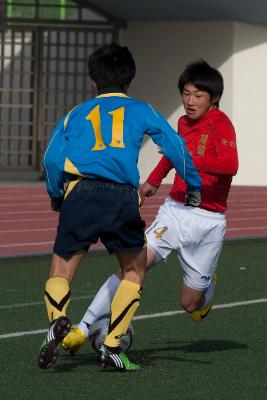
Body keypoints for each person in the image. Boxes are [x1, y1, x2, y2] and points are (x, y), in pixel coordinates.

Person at [38, 44, 201, 371]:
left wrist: (57, 194)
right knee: (134, 271)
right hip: (121, 197)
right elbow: (175, 145)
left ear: (92, 81)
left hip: (80, 193)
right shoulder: (142, 110)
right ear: (131, 80)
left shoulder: (76, 114)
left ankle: (58, 320)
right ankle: (112, 347)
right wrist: (193, 184)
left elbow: (52, 159)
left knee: (61, 272)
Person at [61, 59, 239, 354]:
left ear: (214, 99)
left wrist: (188, 157)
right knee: (134, 265)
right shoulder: (182, 123)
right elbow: (173, 155)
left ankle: (206, 289)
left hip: (207, 220)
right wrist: (153, 180)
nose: (190, 101)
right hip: (175, 211)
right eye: (186, 93)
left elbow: (230, 165)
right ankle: (82, 328)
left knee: (189, 304)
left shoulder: (221, 124)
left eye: (198, 96)